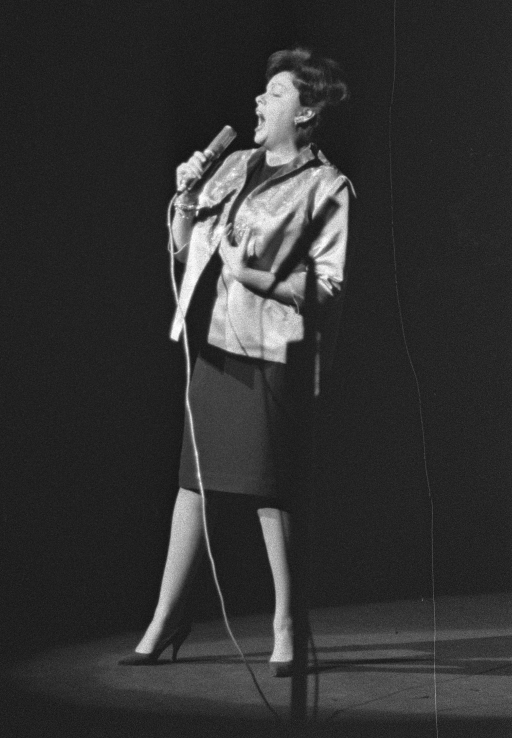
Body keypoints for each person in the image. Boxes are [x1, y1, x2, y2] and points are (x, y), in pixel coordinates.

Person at [119, 47, 352, 675]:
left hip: (272, 352)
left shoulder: (326, 187)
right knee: (192, 483)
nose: (259, 100)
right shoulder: (237, 164)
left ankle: (287, 624)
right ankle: (167, 618)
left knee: (269, 492)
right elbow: (185, 247)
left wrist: (257, 276)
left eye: (274, 94)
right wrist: (187, 195)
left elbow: (328, 288)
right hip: (215, 346)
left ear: (305, 112)